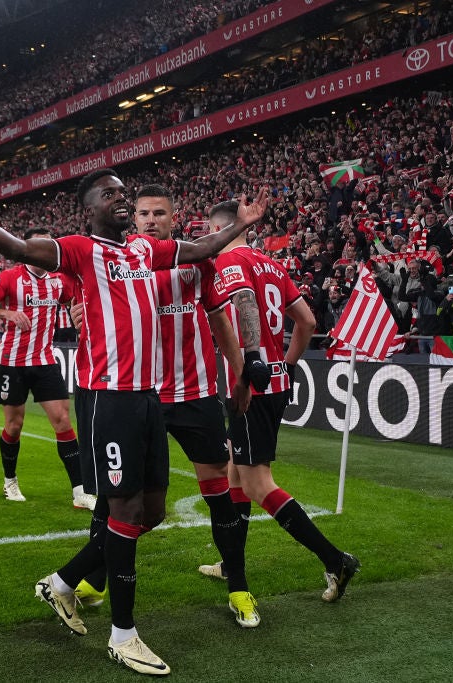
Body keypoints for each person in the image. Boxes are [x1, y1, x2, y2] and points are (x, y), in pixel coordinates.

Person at [0, 166, 268, 676]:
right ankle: (124, 635)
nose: (122, 198)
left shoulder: (141, 251)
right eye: (110, 194)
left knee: (151, 512)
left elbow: (199, 250)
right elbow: (19, 248)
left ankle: (63, 584)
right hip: (110, 401)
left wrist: (239, 225)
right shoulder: (79, 250)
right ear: (89, 208)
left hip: (149, 400)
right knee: (126, 508)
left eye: (123, 192)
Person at [78, 183, 259, 627]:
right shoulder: (121, 261)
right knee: (116, 498)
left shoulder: (197, 263)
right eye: (144, 213)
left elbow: (219, 319)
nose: (151, 220)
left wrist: (239, 373)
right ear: (133, 219)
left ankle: (238, 586)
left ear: (173, 219)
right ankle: (96, 579)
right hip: (141, 396)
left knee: (220, 493)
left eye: (160, 213)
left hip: (195, 393)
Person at [198, 200, 361, 606]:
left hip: (247, 386)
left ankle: (334, 558)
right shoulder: (272, 264)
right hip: (273, 381)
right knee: (236, 473)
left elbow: (244, 306)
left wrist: (256, 366)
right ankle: (231, 563)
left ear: (221, 228)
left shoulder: (228, 262)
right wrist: (285, 365)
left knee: (255, 482)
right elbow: (306, 321)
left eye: (209, 229)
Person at [0, 227, 96, 509]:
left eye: (47, 245)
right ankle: (10, 481)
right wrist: (7, 313)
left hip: (44, 360)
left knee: (63, 422)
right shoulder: (9, 277)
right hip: (13, 363)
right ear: (28, 247)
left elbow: (76, 299)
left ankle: (80, 491)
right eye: (37, 245)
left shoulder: (58, 280)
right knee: (14, 426)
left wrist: (77, 313)